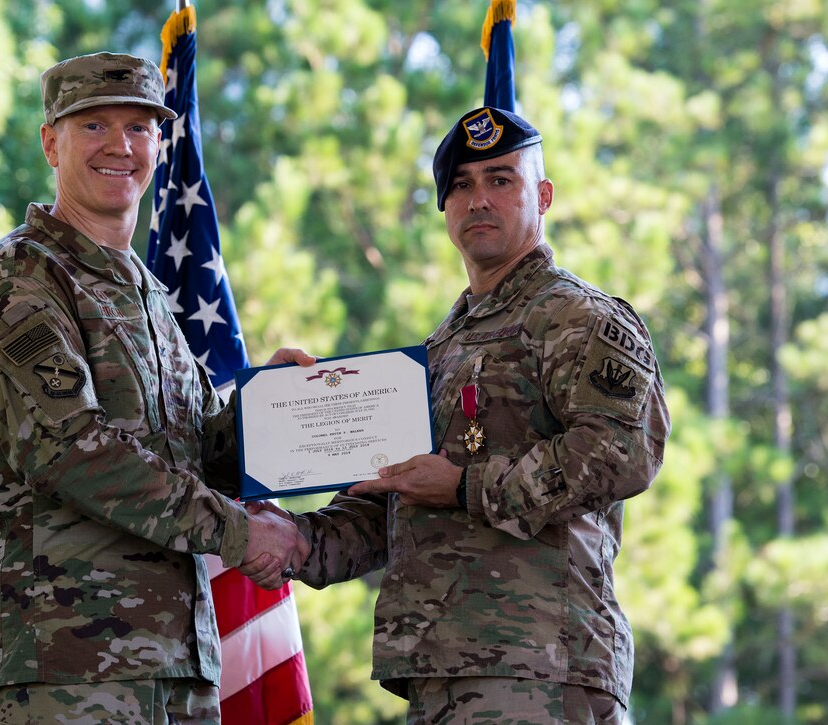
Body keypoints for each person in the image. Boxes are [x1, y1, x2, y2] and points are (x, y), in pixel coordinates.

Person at [242, 106, 671, 724]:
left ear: (543, 195)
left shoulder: (579, 318)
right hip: (439, 668)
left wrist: (467, 486)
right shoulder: (440, 347)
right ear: (444, 210)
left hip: (540, 664)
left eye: (501, 179)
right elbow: (395, 501)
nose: (479, 201)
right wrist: (298, 542)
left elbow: (621, 454)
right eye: (461, 186)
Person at [0, 52, 310, 724]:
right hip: (64, 669)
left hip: (179, 666)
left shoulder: (151, 298)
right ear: (51, 141)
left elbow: (195, 454)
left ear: (159, 146)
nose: (120, 146)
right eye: (94, 126)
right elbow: (73, 453)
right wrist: (239, 532)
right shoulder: (17, 284)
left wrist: (271, 411)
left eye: (139, 128)